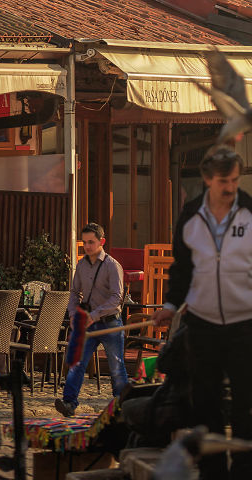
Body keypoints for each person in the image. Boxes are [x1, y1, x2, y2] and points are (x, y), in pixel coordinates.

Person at [153, 145, 252, 479]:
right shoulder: (191, 215)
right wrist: (169, 305)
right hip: (202, 323)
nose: (230, 187)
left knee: (246, 404)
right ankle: (213, 473)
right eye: (224, 180)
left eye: (235, 180)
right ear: (208, 179)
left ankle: (243, 469)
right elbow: (183, 268)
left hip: (245, 323)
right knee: (204, 403)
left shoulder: (250, 212)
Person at [55, 221, 128, 418]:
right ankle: (69, 403)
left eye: (91, 242)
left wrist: (93, 316)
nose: (87, 246)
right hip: (87, 323)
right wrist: (72, 314)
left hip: (110, 322)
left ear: (101, 242)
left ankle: (123, 405)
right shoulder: (81, 265)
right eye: (84, 242)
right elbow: (74, 292)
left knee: (116, 366)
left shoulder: (113, 266)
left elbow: (116, 298)